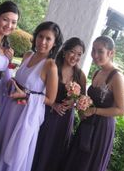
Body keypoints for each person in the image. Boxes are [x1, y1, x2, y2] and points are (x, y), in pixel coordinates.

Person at [0, 21, 63, 171]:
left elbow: (50, 100)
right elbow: (21, 79)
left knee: (15, 153)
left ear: (54, 44)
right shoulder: (28, 55)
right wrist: (12, 82)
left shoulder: (50, 66)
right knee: (1, 142)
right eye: (40, 36)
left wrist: (26, 95)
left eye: (48, 39)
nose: (43, 42)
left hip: (27, 114)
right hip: (10, 108)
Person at [64, 35, 124, 171]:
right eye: (93, 50)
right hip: (87, 124)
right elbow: (90, 100)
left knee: (88, 164)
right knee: (76, 161)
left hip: (102, 129)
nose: (95, 55)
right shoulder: (97, 72)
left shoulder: (117, 77)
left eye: (100, 51)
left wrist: (94, 111)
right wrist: (80, 105)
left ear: (111, 53)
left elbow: (121, 110)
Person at [31, 37, 86, 171]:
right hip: (48, 114)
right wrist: (53, 104)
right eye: (72, 52)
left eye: (79, 54)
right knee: (41, 145)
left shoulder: (80, 75)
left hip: (65, 119)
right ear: (64, 51)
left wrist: (75, 102)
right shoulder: (53, 66)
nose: (75, 57)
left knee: (57, 150)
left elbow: (82, 99)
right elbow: (38, 89)